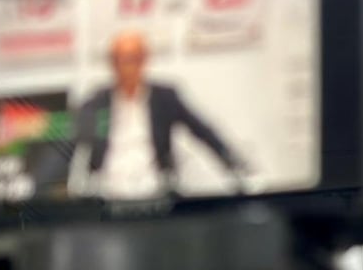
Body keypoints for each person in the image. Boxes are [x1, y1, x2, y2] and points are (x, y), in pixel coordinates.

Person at [71, 29, 246, 199]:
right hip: (107, 190)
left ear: (144, 60)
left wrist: (234, 165)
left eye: (133, 59)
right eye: (120, 60)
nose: (127, 67)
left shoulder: (165, 98)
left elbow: (202, 131)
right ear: (112, 64)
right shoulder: (97, 102)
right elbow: (68, 140)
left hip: (155, 188)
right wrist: (55, 185)